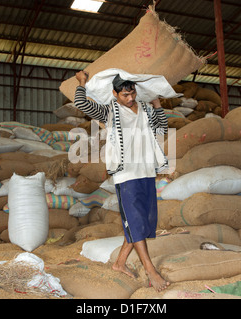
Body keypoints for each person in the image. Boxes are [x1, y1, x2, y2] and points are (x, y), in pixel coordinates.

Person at [74, 70, 170, 292]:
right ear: (114, 94)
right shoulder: (109, 110)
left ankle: (119, 263)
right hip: (126, 175)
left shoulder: (144, 107)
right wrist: (82, 82)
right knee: (135, 221)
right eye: (124, 95)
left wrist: (156, 104)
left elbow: (162, 129)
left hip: (146, 171)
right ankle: (150, 270)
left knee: (144, 222)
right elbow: (81, 103)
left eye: (132, 93)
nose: (130, 98)